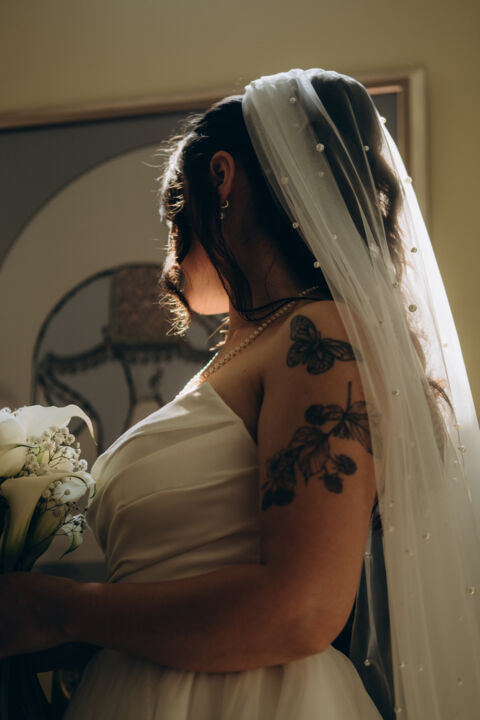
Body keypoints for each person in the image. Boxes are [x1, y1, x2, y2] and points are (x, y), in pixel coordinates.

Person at [2, 69, 480, 719]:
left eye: (174, 209)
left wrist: (60, 611)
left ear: (220, 178)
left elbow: (302, 609)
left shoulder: (319, 335)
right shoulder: (250, 351)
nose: (170, 253)